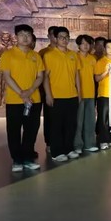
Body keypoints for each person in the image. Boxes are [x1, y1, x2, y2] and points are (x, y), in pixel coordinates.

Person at [0, 25, 44, 172]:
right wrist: (22, 94)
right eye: (22, 34)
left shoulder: (36, 56)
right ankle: (17, 160)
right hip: (15, 100)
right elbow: (7, 76)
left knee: (31, 130)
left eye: (28, 34)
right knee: (14, 130)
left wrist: (30, 91)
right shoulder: (8, 54)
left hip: (34, 99)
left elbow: (40, 76)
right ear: (16, 37)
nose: (25, 38)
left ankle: (27, 158)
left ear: (32, 37)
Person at [42, 27, 82, 162]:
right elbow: (45, 77)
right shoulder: (49, 55)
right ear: (55, 38)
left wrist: (79, 93)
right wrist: (48, 95)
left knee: (70, 125)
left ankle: (69, 149)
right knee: (56, 125)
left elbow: (76, 75)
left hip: (72, 95)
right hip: (56, 96)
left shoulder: (73, 55)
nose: (64, 40)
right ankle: (57, 152)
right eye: (61, 37)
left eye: (66, 37)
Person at [93, 40, 111, 150]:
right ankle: (103, 140)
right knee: (103, 119)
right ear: (105, 49)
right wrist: (106, 71)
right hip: (104, 94)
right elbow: (97, 78)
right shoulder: (100, 62)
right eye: (108, 47)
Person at [74, 35, 98, 153]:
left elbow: (95, 76)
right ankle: (77, 145)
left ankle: (89, 144)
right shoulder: (74, 57)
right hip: (78, 94)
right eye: (83, 43)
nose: (86, 46)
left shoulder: (92, 59)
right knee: (78, 122)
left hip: (90, 93)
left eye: (88, 43)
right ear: (78, 45)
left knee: (90, 121)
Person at [38, 26, 58, 153]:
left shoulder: (67, 53)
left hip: (63, 92)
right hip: (48, 91)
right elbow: (41, 74)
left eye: (57, 35)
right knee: (50, 118)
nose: (55, 37)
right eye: (52, 34)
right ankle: (49, 142)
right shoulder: (43, 52)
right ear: (48, 36)